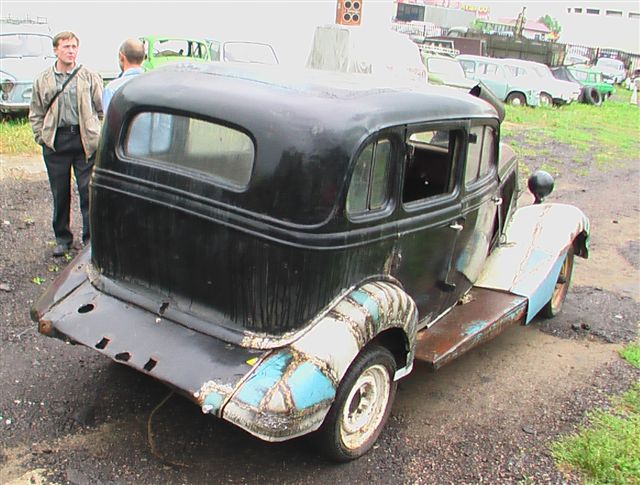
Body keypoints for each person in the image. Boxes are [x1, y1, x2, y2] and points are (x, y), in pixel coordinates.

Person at [29, 31, 103, 257]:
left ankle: (90, 239)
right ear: (56, 50)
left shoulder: (89, 76)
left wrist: (96, 133)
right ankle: (62, 238)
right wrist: (41, 137)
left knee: (87, 192)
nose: (71, 51)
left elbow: (101, 109)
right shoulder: (43, 79)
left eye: (74, 47)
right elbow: (36, 112)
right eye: (66, 47)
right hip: (57, 142)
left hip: (83, 141)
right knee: (60, 193)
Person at [102, 38, 145, 114]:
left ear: (121, 57)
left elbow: (109, 119)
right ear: (143, 58)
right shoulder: (154, 86)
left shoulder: (112, 89)